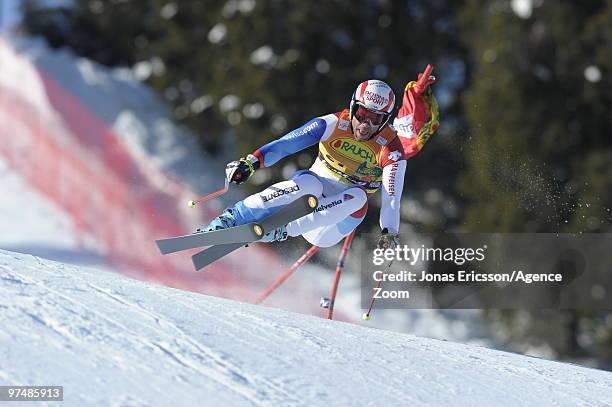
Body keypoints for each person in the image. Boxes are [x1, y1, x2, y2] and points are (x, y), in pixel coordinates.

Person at [200, 65, 439, 249]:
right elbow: (286, 144)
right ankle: (231, 219)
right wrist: (251, 162)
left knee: (358, 198)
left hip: (331, 224)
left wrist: (389, 231)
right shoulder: (334, 123)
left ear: (385, 121)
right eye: (362, 113)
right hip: (309, 193)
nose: (365, 125)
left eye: (375, 119)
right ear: (352, 107)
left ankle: (280, 229)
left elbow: (392, 196)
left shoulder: (392, 149)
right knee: (308, 182)